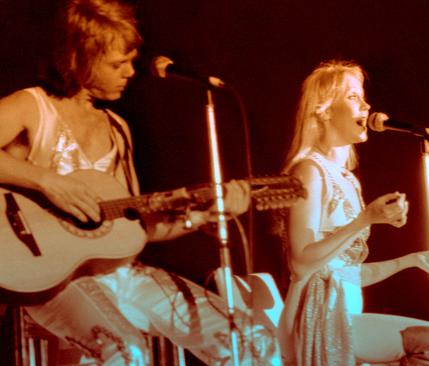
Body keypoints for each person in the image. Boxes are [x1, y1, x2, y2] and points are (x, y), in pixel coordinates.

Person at [0, 0, 275, 364]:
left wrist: (201, 218)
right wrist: (47, 181)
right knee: (125, 353)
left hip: (125, 274)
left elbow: (136, 228)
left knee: (249, 338)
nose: (131, 71)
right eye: (118, 63)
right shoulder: (32, 106)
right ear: (79, 57)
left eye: (131, 60)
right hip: (52, 282)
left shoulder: (118, 129)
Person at [276, 60, 429, 366]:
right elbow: (300, 264)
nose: (366, 105)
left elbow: (346, 273)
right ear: (324, 110)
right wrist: (364, 220)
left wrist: (413, 260)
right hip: (317, 315)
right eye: (352, 96)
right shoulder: (309, 170)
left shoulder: (347, 178)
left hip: (345, 309)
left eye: (363, 96)